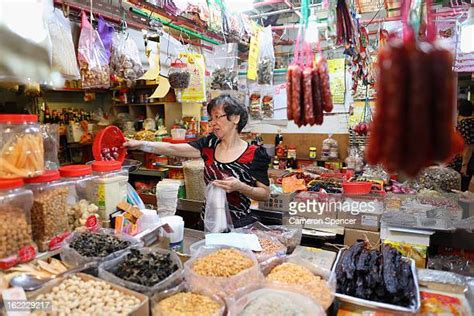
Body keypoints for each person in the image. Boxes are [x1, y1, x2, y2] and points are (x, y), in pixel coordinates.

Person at [125, 95, 271, 227]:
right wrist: (140, 144)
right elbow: (171, 148)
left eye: (217, 116)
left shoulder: (254, 154)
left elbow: (264, 194)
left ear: (235, 118)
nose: (212, 123)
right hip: (208, 222)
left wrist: (241, 186)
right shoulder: (209, 145)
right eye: (210, 119)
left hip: (239, 225)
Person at [451, 99, 474, 191]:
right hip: (466, 162)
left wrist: (464, 166)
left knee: (461, 189)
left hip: (465, 163)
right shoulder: (470, 122)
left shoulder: (465, 124)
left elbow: (469, 146)